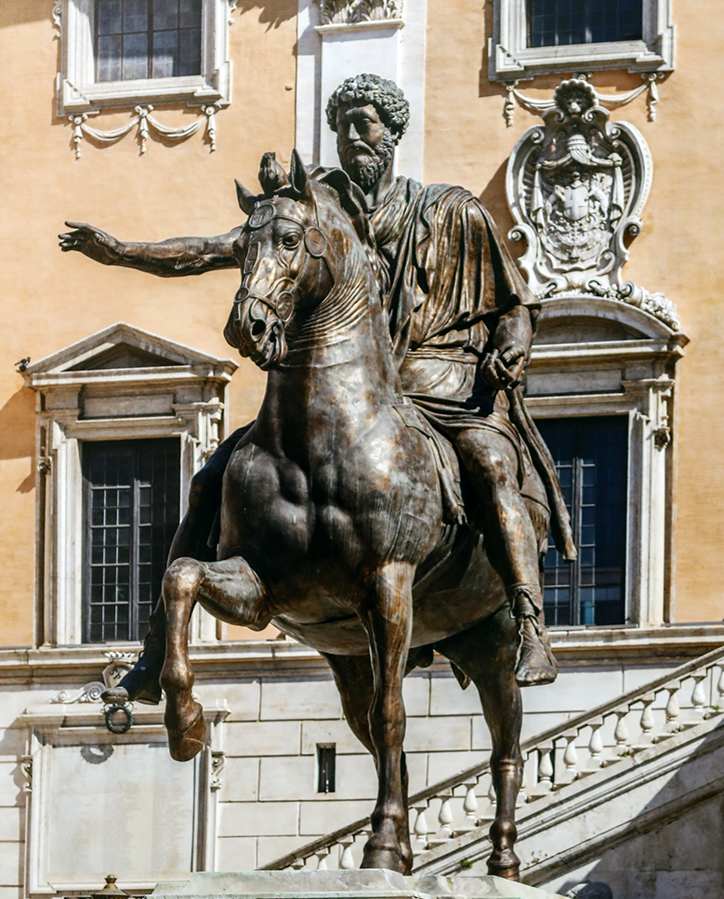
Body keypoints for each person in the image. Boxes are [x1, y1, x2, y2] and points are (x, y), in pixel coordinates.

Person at [59, 74, 574, 696]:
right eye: (344, 124)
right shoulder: (312, 208)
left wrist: (512, 345)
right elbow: (215, 250)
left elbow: (515, 304)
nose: (354, 135)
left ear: (393, 131)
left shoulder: (450, 210)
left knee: (490, 463)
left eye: (367, 122)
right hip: (348, 392)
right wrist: (122, 252)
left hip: (440, 380)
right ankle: (153, 651)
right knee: (211, 477)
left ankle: (530, 622)